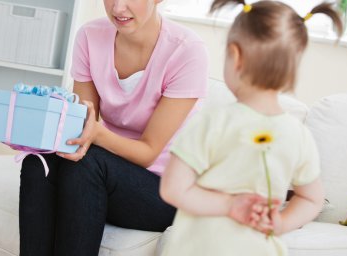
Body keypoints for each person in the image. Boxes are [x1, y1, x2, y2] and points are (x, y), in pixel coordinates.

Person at [18, 0, 210, 255]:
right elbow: (83, 125)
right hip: (105, 173)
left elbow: (148, 152)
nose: (118, 8)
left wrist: (96, 134)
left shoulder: (186, 51)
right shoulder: (89, 36)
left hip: (166, 190)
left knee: (87, 164)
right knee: (37, 162)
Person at [160, 1, 343, 256]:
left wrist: (230, 204)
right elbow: (311, 199)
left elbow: (172, 189)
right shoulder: (299, 136)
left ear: (235, 56)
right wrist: (280, 223)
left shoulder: (213, 122)